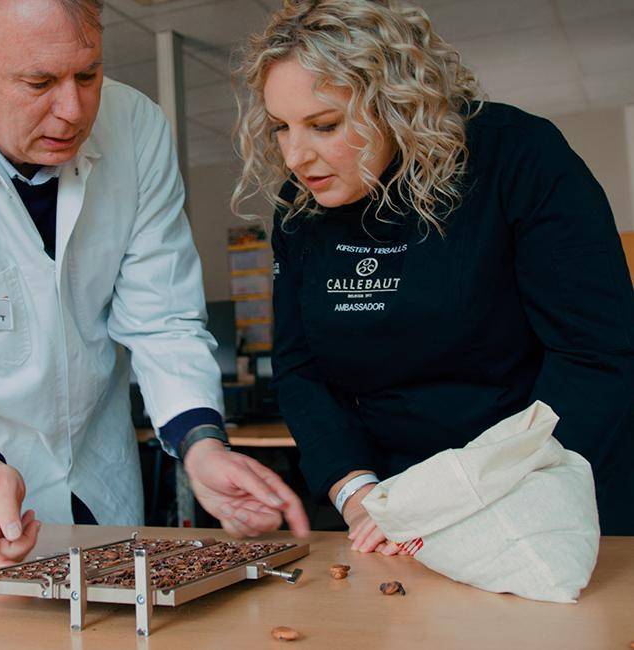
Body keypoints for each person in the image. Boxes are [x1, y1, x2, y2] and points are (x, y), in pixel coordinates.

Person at [0, 0, 309, 568]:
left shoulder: (137, 128)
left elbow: (163, 320)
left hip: (103, 479)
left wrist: (201, 444)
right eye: (38, 82)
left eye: (88, 74)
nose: (73, 111)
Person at [231, 0, 634, 547]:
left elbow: (594, 354)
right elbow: (300, 371)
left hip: (544, 491)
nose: (297, 156)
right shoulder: (300, 210)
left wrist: (475, 494)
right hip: (398, 508)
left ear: (396, 103)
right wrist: (356, 491)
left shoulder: (518, 158)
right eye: (281, 127)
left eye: (324, 125)